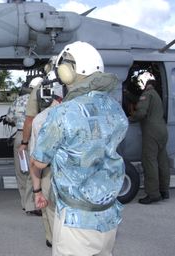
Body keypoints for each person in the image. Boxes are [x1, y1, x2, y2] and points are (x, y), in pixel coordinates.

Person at [29, 41, 128, 255]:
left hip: (76, 222)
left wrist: (37, 189)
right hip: (109, 216)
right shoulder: (115, 109)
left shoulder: (62, 114)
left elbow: (38, 163)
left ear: (68, 72)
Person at [19, 58, 59, 248]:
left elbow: (30, 120)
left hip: (49, 165)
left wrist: (25, 143)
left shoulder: (41, 117)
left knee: (49, 204)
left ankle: (52, 239)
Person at [128, 70, 170, 204]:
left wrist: (130, 118)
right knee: (162, 161)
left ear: (146, 84)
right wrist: (128, 95)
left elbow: (141, 112)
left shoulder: (147, 94)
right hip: (162, 130)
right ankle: (164, 191)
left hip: (151, 131)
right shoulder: (156, 95)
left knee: (149, 161)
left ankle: (153, 194)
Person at [4, 79, 42, 216]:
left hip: (20, 136)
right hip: (36, 137)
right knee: (35, 171)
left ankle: (25, 204)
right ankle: (32, 204)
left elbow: (9, 118)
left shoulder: (19, 100)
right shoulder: (42, 99)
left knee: (21, 171)